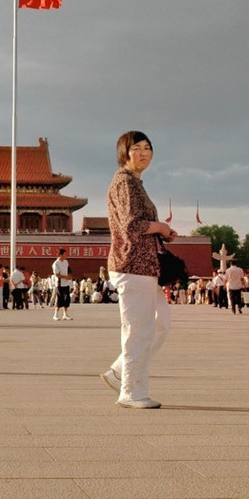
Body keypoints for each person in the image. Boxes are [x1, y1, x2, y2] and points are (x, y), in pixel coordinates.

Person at [100, 131, 176, 408]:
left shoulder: (136, 183)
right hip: (132, 264)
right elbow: (131, 224)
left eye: (148, 148)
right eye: (137, 148)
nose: (144, 153)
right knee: (138, 329)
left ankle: (118, 372)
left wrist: (162, 232)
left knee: (160, 325)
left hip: (146, 265)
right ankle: (131, 391)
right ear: (124, 152)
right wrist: (161, 227)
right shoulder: (124, 182)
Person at [51, 249, 73, 320]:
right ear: (60, 255)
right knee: (59, 299)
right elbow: (56, 274)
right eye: (65, 254)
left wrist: (69, 276)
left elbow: (69, 270)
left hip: (66, 284)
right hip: (59, 284)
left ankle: (65, 314)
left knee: (67, 299)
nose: (66, 256)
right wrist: (65, 277)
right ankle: (55, 315)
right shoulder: (56, 264)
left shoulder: (66, 262)